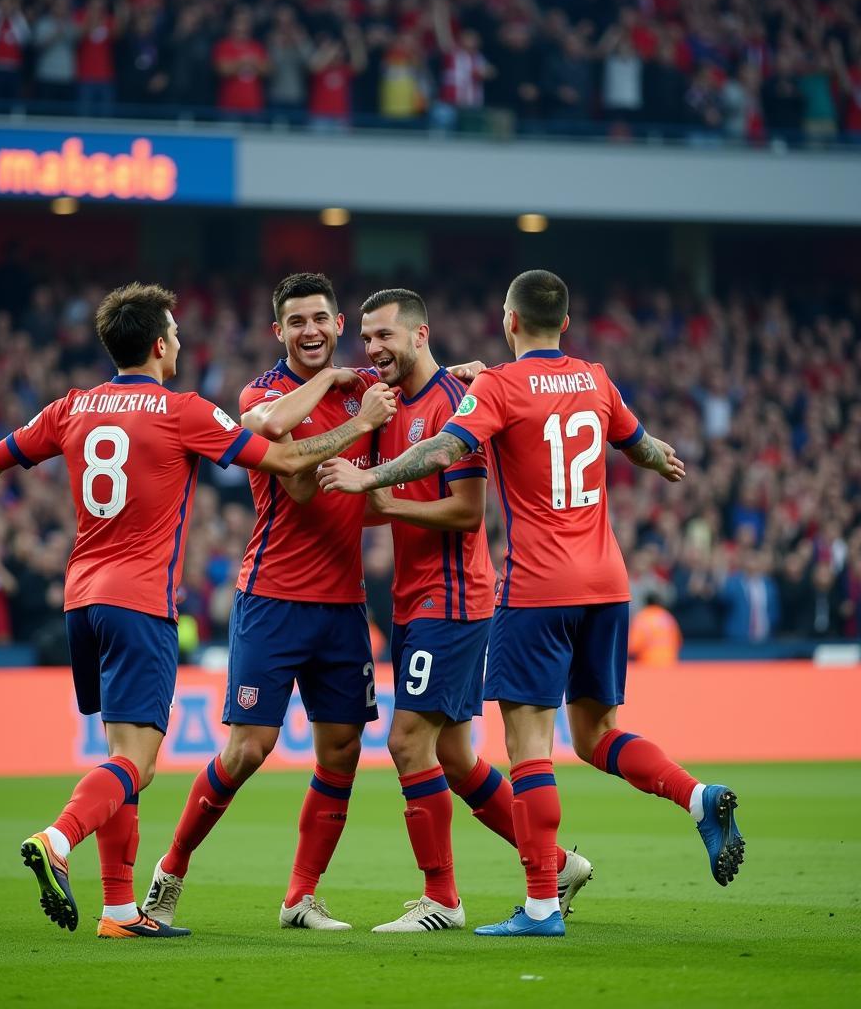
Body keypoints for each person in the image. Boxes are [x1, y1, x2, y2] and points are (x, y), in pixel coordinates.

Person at [0, 282, 396, 940]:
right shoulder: (181, 409)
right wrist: (361, 426)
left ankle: (120, 911)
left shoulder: (73, 406)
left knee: (119, 753)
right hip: (141, 602)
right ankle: (58, 838)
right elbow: (281, 456)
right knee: (139, 763)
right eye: (177, 335)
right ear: (160, 345)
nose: (183, 343)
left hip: (82, 601)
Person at [318, 269, 745, 938]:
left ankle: (542, 905)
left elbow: (441, 447)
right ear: (565, 325)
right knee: (597, 735)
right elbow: (640, 444)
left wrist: (370, 474)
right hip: (608, 584)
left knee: (530, 750)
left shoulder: (500, 385)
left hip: (538, 588)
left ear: (510, 321)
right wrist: (662, 458)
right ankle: (697, 798)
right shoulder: (596, 380)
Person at [141, 273, 480, 932]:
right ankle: (171, 870)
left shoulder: (366, 389)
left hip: (344, 606)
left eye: (323, 319)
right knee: (248, 750)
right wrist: (346, 405)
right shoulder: (266, 392)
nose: (313, 331)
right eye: (298, 322)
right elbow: (288, 465)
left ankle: (300, 897)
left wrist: (460, 372)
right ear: (279, 332)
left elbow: (424, 392)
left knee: (342, 750)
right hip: (272, 598)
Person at [355, 289, 592, 934]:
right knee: (456, 757)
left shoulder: (463, 404)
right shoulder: (393, 408)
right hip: (413, 598)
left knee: (408, 742)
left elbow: (466, 512)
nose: (373, 349)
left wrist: (382, 503)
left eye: (384, 336)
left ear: (421, 334)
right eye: (366, 338)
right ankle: (555, 862)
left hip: (453, 598)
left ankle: (443, 901)